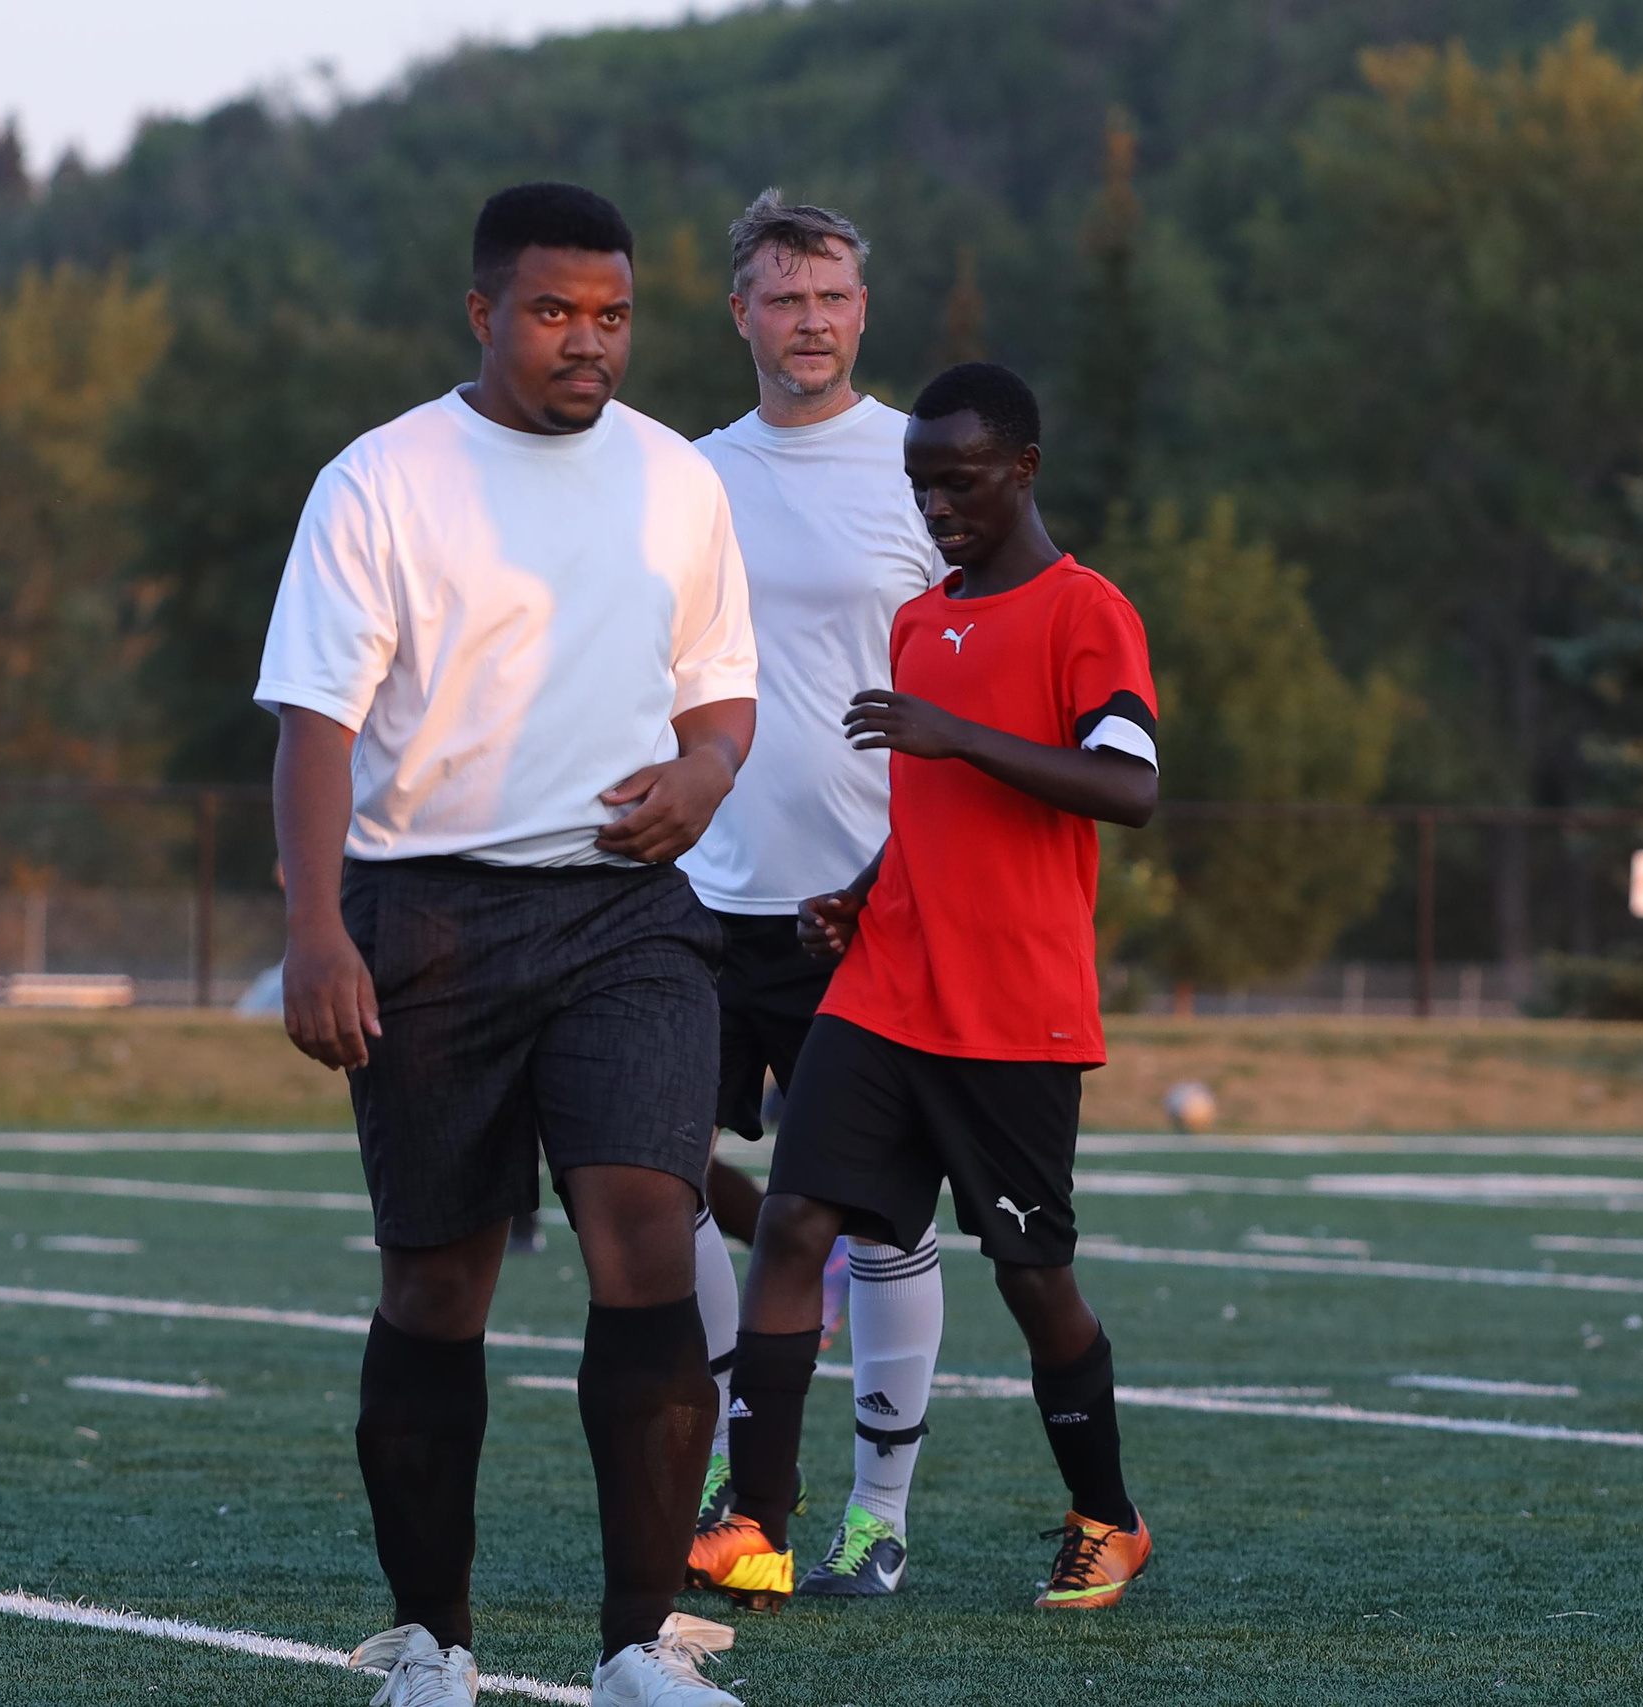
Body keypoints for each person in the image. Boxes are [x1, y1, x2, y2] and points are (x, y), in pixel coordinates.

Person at [256, 182, 757, 1707]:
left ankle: (634, 1642)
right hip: (427, 916)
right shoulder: (381, 480)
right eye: (552, 312)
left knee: (646, 1238)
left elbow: (721, 689)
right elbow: (313, 725)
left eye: (610, 314)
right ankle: (435, 1638)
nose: (585, 341)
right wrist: (314, 926)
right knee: (437, 1287)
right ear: (483, 311)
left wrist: (705, 774)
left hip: (624, 914)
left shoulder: (678, 479)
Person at [690, 363, 1161, 1614]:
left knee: (1030, 1277)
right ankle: (759, 1525)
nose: (936, 507)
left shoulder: (1084, 612)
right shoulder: (919, 622)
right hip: (884, 981)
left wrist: (959, 738)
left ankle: (1106, 1517)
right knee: (795, 1223)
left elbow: (1128, 787)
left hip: (1012, 1007)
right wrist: (863, 883)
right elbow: (933, 812)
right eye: (919, 487)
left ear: (1023, 470)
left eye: (957, 482)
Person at [679, 190, 948, 1597]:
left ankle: (876, 1516)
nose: (810, 322)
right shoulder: (683, 473)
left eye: (832, 296)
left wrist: (919, 865)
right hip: (694, 897)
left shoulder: (920, 463)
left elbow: (989, 656)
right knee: (654, 1179)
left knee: (884, 1217)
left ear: (863, 308)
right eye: (784, 297)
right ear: (741, 312)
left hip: (869, 903)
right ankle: (740, 1464)